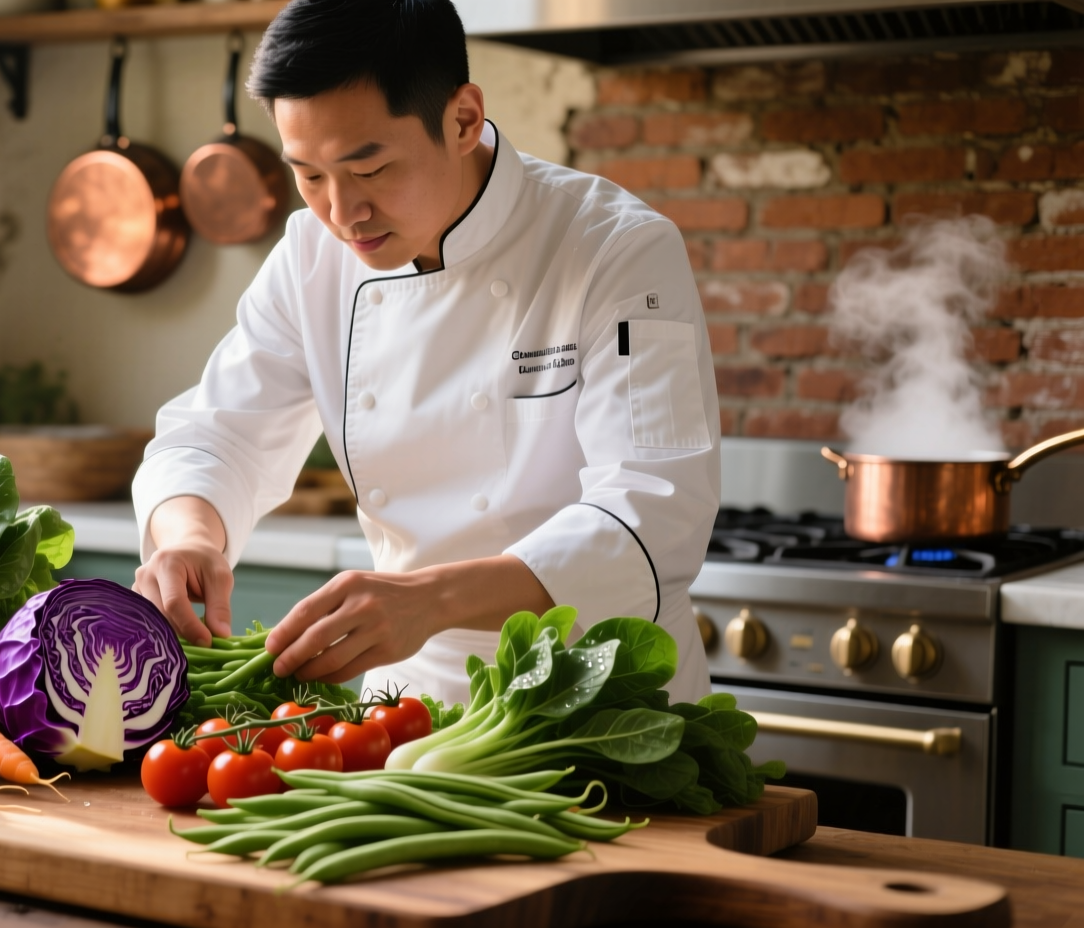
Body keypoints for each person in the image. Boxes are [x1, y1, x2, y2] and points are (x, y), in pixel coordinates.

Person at [130, 0, 719, 706]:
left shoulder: (614, 249)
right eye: (309, 175)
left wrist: (429, 600)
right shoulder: (311, 257)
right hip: (406, 715)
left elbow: (653, 517)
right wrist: (189, 537)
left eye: (370, 169)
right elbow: (216, 435)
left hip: (598, 703)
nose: (343, 213)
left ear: (463, 119)